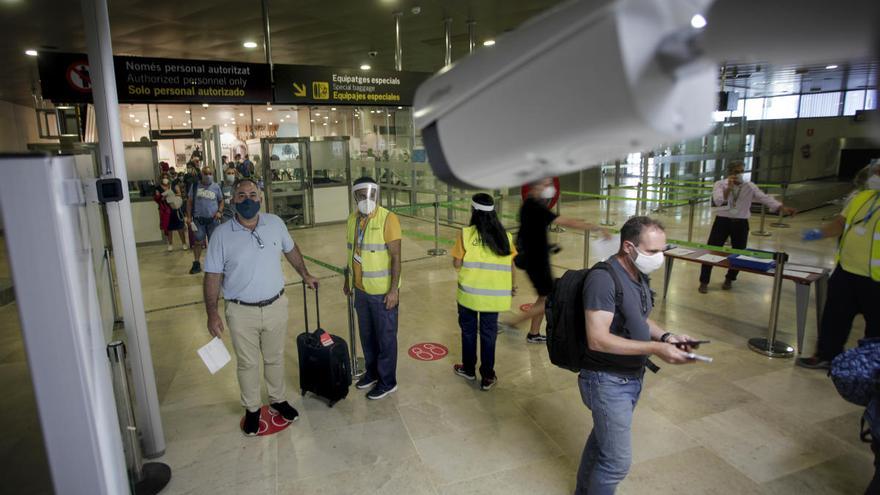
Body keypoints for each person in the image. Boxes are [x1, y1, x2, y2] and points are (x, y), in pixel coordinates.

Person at [577, 216, 698, 494]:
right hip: (607, 381)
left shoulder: (637, 274)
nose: (659, 258)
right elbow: (597, 339)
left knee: (601, 443)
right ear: (629, 247)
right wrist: (656, 348)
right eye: (652, 251)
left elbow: (639, 319)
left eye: (662, 251)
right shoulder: (602, 279)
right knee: (616, 463)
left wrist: (667, 336)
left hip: (631, 377)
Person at [203, 178, 319, 436]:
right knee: (247, 363)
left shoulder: (275, 224)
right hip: (240, 311)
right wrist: (212, 312)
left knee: (275, 357)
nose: (247, 200)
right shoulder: (221, 236)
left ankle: (277, 399)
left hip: (276, 305)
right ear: (233, 200)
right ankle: (253, 409)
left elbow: (291, 250)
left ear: (261, 198)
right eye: (241, 195)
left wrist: (305, 274)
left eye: (253, 194)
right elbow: (212, 276)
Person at [797, 159, 880, 369]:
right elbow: (839, 224)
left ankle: (870, 369)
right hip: (847, 272)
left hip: (876, 280)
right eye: (876, 172)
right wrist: (819, 233)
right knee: (834, 317)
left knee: (876, 329)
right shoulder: (861, 198)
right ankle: (826, 355)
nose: (875, 177)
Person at [504, 177, 609, 343]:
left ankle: (533, 333)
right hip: (536, 261)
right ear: (535, 186)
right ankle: (514, 322)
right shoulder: (534, 206)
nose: (550, 187)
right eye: (545, 184)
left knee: (544, 295)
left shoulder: (531, 204)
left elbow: (532, 231)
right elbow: (566, 222)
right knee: (548, 297)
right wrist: (597, 227)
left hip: (537, 257)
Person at [343, 177, 402, 400]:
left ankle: (388, 382)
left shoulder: (388, 219)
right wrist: (348, 280)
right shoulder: (352, 219)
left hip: (382, 291)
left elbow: (396, 257)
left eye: (369, 194)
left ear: (376, 195)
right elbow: (351, 252)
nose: (365, 198)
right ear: (355, 196)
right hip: (361, 289)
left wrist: (393, 290)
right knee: (367, 336)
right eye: (360, 194)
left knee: (386, 337)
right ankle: (373, 372)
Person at [451, 193, 517, 391]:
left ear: (473, 211)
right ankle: (488, 376)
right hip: (493, 298)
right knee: (489, 335)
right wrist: (512, 286)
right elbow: (511, 264)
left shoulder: (465, 234)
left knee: (468, 332)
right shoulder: (505, 237)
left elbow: (456, 263)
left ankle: (469, 369)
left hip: (469, 296)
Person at [699, 161, 796, 293]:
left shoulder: (749, 186)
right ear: (730, 173)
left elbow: (764, 198)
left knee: (739, 253)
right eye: (736, 172)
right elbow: (718, 201)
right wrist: (729, 187)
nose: (739, 174)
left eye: (741, 171)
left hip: (741, 223)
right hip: (722, 221)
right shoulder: (720, 184)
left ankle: (730, 278)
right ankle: (704, 281)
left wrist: (782, 208)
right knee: (712, 250)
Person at [186, 166, 224, 274]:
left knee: (214, 242)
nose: (208, 176)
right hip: (198, 220)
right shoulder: (195, 186)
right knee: (198, 242)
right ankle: (197, 263)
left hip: (213, 220)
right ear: (201, 174)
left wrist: (219, 211)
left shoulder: (216, 187)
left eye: (210, 173)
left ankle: (215, 263)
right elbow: (189, 202)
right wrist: (188, 217)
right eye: (205, 173)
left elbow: (221, 201)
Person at [153, 173, 187, 251]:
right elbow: (157, 198)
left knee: (180, 227)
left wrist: (172, 195)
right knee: (168, 228)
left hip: (175, 209)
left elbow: (179, 194)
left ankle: (184, 243)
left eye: (166, 177)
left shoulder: (174, 185)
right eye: (163, 177)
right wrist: (162, 198)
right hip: (165, 210)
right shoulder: (157, 188)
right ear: (161, 179)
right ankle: (170, 244)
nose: (165, 179)